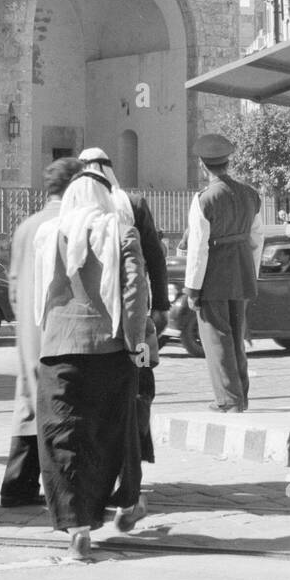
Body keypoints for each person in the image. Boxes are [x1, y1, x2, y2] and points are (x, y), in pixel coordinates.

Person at [35, 166, 150, 561]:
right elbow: (136, 292)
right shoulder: (120, 232)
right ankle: (124, 501)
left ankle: (78, 527)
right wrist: (136, 343)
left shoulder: (50, 233)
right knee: (111, 435)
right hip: (109, 349)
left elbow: (40, 293)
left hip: (58, 351)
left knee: (63, 438)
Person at [76, 147, 169, 471]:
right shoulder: (134, 204)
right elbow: (155, 258)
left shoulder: (74, 210)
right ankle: (133, 459)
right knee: (139, 384)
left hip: (92, 321)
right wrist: (160, 306)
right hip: (134, 315)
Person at [0, 156, 81, 507]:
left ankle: (16, 486)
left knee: (28, 405)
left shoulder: (26, 226)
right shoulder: (75, 223)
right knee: (65, 407)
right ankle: (65, 489)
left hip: (29, 334)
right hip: (63, 330)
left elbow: (13, 285)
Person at [184, 133, 264, 413]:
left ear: (202, 164)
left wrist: (192, 288)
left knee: (217, 339)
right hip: (242, 272)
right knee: (237, 337)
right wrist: (250, 273)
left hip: (214, 275)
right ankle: (241, 396)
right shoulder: (250, 194)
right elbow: (257, 238)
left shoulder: (204, 199)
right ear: (227, 161)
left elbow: (198, 248)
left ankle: (229, 400)